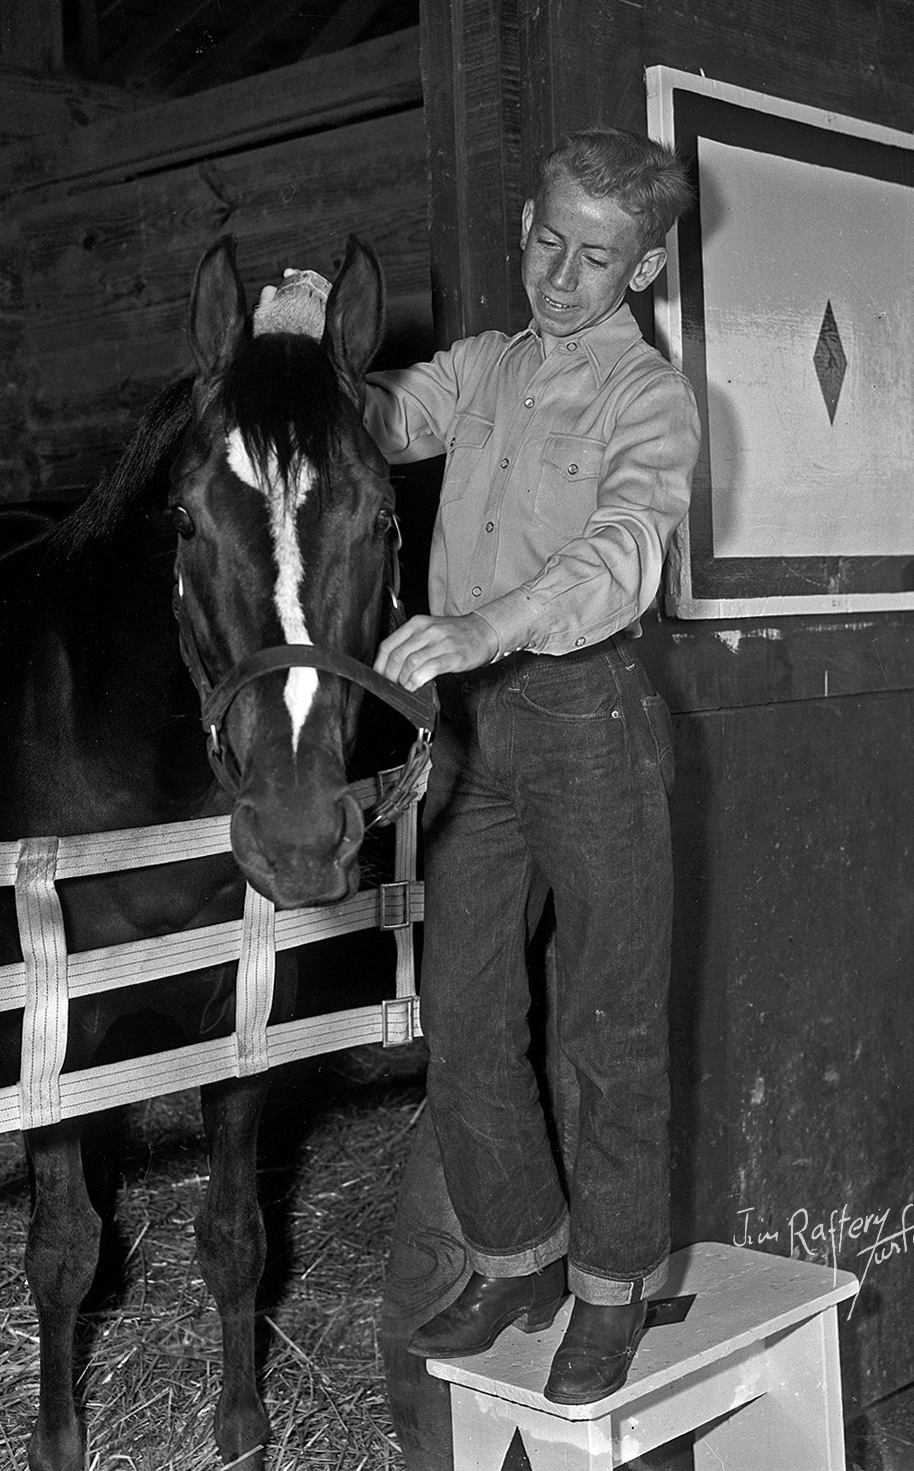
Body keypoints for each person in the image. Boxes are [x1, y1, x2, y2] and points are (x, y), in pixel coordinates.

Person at [363, 126, 701, 1406]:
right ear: (523, 222)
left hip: (587, 717)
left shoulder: (650, 398)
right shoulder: (488, 368)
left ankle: (612, 1292)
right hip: (472, 732)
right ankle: (523, 1255)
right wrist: (299, 356)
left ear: (648, 266)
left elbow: (623, 552)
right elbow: (387, 420)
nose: (562, 276)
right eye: (548, 241)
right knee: (462, 1014)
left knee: (610, 1022)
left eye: (598, 257)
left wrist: (479, 626)